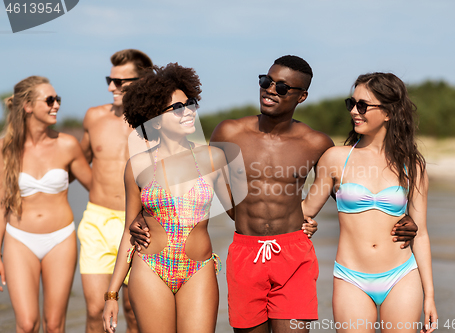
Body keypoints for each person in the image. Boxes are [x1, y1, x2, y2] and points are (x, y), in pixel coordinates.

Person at [130, 56, 419, 333]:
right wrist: (144, 215)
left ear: (301, 96)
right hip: (245, 252)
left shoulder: (316, 143)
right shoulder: (229, 132)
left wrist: (401, 215)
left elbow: (350, 194)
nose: (270, 89)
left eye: (281, 87)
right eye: (266, 81)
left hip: (293, 254)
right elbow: (192, 179)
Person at [102, 63, 233, 333]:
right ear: (155, 120)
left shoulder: (212, 158)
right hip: (150, 267)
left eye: (190, 103)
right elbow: (130, 231)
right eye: (177, 108)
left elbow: (240, 215)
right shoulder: (137, 166)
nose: (188, 112)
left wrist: (296, 218)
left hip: (198, 269)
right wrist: (112, 294)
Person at [302, 72, 437, 333]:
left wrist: (430, 295)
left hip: (401, 274)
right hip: (351, 277)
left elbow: (420, 234)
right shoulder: (335, 158)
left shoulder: (412, 165)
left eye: (362, 105)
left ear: (388, 112)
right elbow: (305, 210)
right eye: (350, 104)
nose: (354, 111)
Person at [0, 76, 91, 332]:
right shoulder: (5, 150)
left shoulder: (67, 145)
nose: (57, 105)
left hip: (60, 239)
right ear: (28, 106)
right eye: (49, 100)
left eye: (58, 99)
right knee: (27, 323)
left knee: (54, 324)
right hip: (18, 240)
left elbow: (97, 189)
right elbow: (1, 206)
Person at [78, 49, 153, 333]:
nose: (112, 87)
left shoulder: (158, 123)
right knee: (96, 309)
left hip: (140, 224)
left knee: (135, 311)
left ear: (143, 81)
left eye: (120, 81)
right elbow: (75, 160)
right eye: (110, 79)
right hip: (98, 221)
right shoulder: (94, 117)